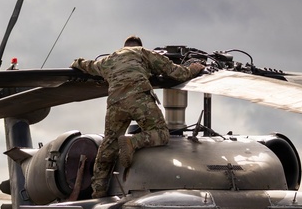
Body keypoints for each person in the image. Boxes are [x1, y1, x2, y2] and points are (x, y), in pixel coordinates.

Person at [71, 36, 205, 198]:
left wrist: (77, 62)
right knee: (161, 133)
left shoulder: (108, 60)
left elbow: (88, 66)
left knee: (109, 144)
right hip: (139, 98)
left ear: (124, 46)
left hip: (116, 103)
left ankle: (98, 189)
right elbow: (175, 72)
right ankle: (132, 142)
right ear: (138, 45)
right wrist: (193, 69)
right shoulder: (142, 52)